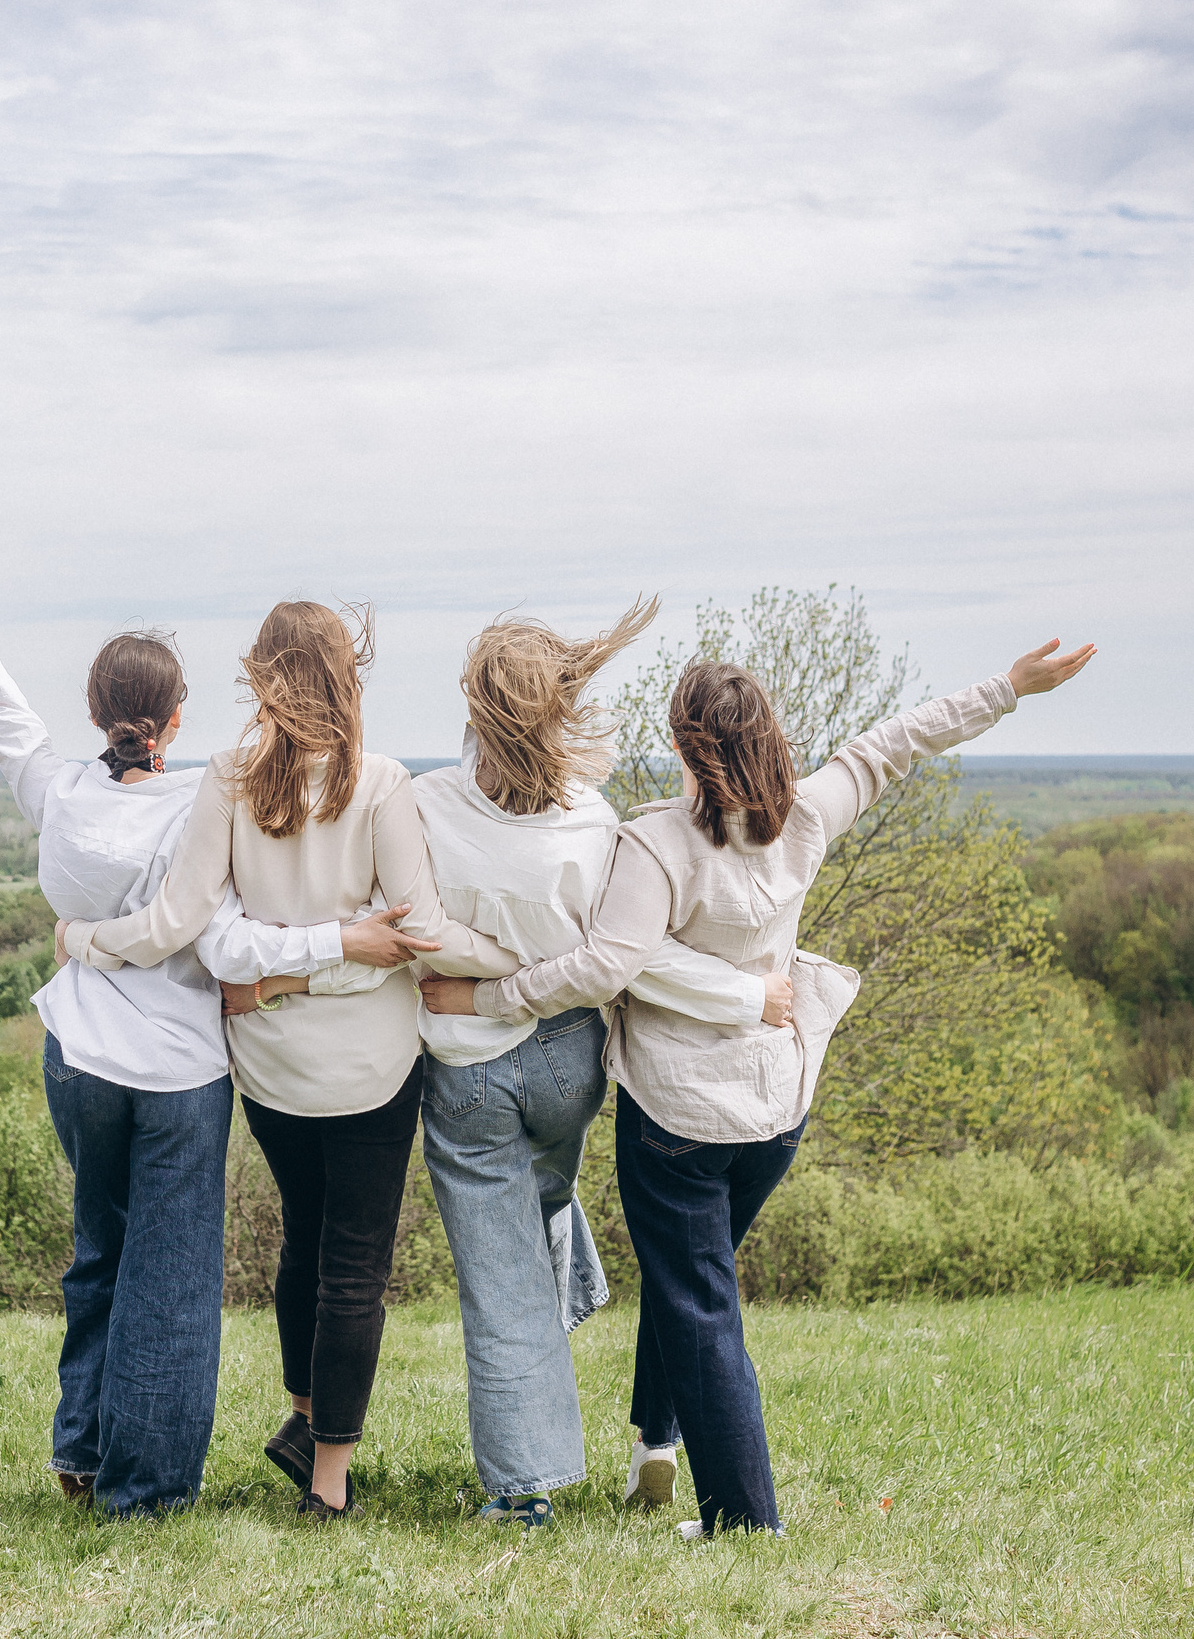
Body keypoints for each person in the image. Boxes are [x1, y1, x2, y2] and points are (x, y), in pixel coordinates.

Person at [422, 637, 1096, 1538]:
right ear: (769, 736)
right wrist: (1009, 686)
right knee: (689, 1277)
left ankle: (745, 1519)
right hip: (777, 1112)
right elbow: (895, 743)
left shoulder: (654, 844)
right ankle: (655, 1439)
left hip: (677, 1120)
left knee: (700, 1303)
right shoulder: (807, 817)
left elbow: (601, 967)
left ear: (686, 742)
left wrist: (488, 994)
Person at [0, 474, 427, 1518]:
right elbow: (218, 931)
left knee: (98, 1254)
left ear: (93, 713)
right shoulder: (211, 789)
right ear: (177, 717)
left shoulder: (58, 787)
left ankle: (81, 1449)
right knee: (171, 1283)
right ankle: (146, 1486)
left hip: (76, 1060)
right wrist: (341, 932)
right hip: (180, 1072)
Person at [238, 601, 793, 1528]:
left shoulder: (426, 802)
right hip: (571, 1066)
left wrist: (484, 978)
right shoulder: (599, 819)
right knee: (535, 1210)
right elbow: (617, 954)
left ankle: (522, 1487)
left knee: (499, 1288)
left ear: (479, 711)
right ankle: (560, 1307)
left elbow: (413, 931)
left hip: (474, 1071)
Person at [56, 601, 521, 1521]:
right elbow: (418, 932)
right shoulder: (382, 782)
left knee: (303, 1236)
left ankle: (305, 1416)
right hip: (373, 1070)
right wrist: (519, 961)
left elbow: (183, 928)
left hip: (269, 1071)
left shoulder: (226, 778)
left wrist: (84, 937)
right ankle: (329, 1484)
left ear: (261, 675)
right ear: (349, 676)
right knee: (354, 1263)